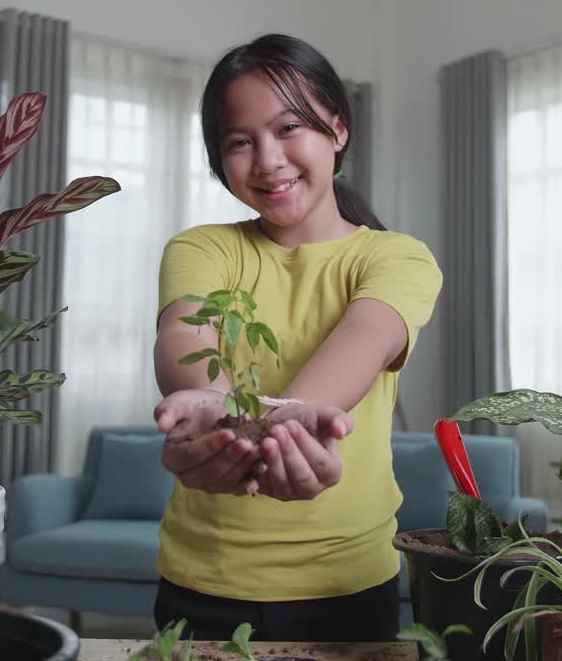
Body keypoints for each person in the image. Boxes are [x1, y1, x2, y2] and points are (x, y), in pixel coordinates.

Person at [151, 33, 443, 642]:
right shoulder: (203, 247)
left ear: (337, 130)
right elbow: (184, 330)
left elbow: (364, 340)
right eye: (239, 141)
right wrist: (212, 411)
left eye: (289, 128)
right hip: (203, 578)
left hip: (348, 584)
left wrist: (258, 425)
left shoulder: (397, 258)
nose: (267, 159)